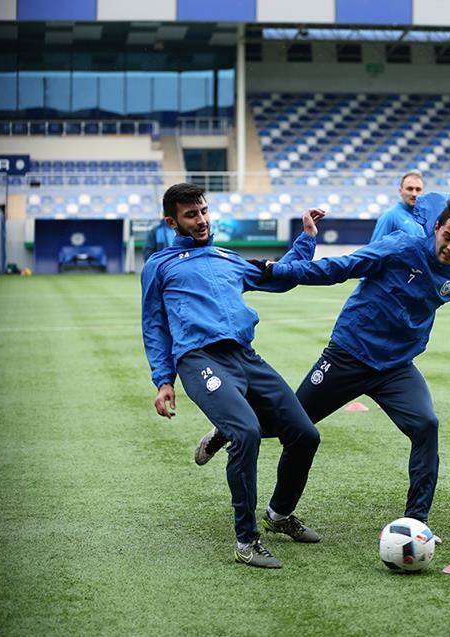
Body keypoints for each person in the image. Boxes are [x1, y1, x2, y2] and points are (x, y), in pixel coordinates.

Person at [197, 193, 450, 539]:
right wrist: (281, 268)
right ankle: (229, 431)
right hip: (349, 354)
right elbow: (341, 267)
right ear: (436, 228)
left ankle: (415, 523)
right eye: (447, 237)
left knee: (426, 425)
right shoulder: (400, 247)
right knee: (295, 426)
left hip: (395, 368)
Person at [141, 182, 326, 570]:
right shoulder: (159, 266)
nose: (201, 220)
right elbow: (154, 326)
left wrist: (307, 238)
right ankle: (246, 541)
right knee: (246, 432)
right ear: (172, 221)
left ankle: (279, 515)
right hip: (198, 359)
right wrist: (163, 380)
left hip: (244, 356)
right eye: (191, 215)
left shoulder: (228, 257)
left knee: (305, 434)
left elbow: (281, 276)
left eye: (204, 211)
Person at [369, 169, 426, 243]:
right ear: (400, 191)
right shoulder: (390, 216)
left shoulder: (425, 217)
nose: (414, 194)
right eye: (410, 189)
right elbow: (375, 247)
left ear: (423, 192)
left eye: (418, 189)